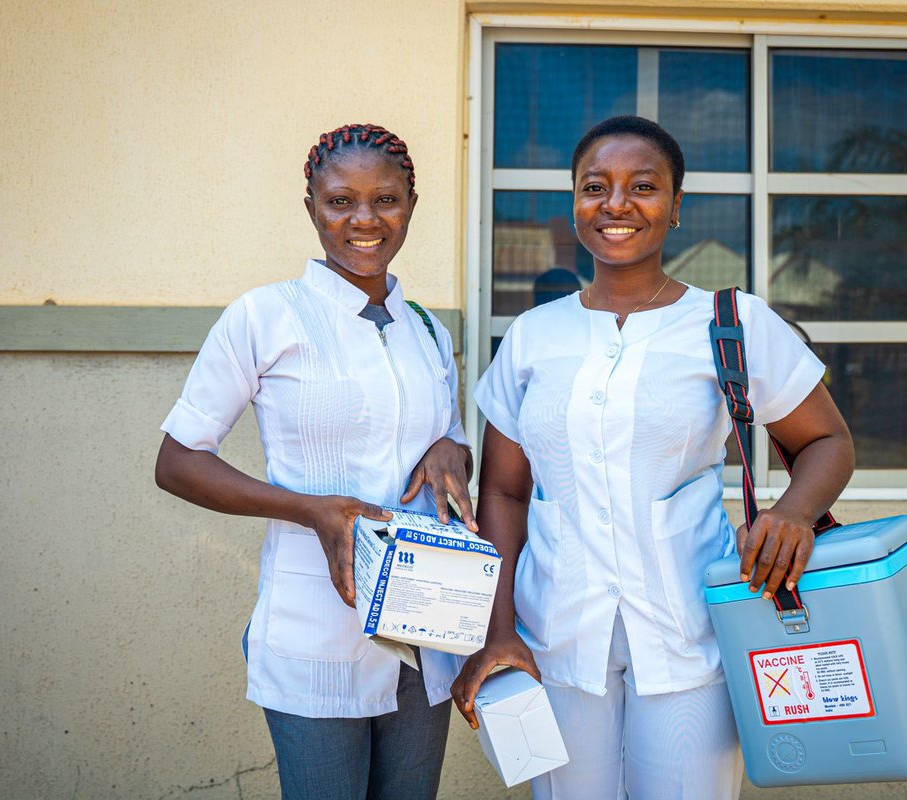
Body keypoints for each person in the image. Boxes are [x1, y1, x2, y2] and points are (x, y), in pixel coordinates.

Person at [451, 116, 855, 799]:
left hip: (690, 633)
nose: (616, 204)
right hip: (556, 634)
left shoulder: (732, 321)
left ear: (675, 208)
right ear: (573, 203)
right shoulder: (531, 337)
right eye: (594, 186)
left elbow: (829, 441)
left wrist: (793, 511)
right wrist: (497, 633)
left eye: (643, 186)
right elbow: (504, 495)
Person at [154, 123, 474, 800]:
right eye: (340, 201)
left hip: (424, 625)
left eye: (386, 200)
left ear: (411, 206)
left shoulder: (426, 328)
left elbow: (444, 446)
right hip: (316, 626)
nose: (365, 220)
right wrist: (309, 510)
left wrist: (455, 447)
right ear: (310, 208)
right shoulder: (265, 317)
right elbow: (178, 461)